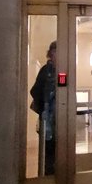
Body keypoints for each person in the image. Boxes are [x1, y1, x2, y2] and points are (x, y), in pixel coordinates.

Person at [29, 41, 57, 175]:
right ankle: (48, 178)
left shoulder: (62, 70)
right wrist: (44, 109)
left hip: (59, 120)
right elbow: (35, 91)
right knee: (48, 153)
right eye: (55, 52)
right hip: (48, 120)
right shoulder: (46, 71)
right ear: (51, 54)